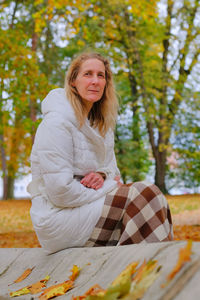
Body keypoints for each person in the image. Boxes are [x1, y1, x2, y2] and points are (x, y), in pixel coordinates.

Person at [27, 52, 173, 254]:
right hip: (58, 218)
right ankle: (147, 270)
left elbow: (113, 172)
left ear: (106, 83)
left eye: (101, 75)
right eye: (87, 74)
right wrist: (109, 184)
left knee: (153, 197)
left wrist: (102, 175)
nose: (95, 81)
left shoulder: (101, 126)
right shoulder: (56, 124)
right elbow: (60, 193)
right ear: (73, 82)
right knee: (144, 193)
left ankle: (149, 269)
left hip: (89, 208)